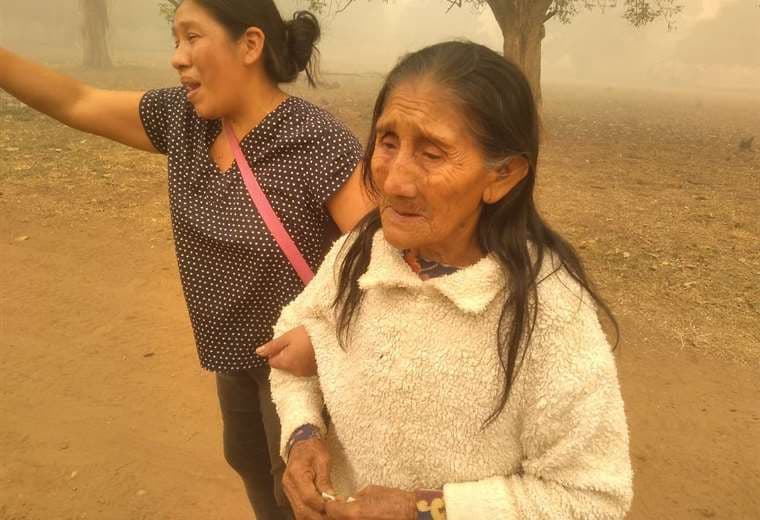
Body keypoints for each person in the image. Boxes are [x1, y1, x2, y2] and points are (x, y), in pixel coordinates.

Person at [0, 1, 373, 518]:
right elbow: (77, 99)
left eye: (192, 37)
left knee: (303, 495)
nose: (177, 58)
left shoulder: (315, 142)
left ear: (249, 45)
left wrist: (323, 336)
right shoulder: (184, 122)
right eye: (175, 40)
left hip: (303, 369)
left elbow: (384, 261)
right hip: (234, 359)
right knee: (248, 464)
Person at [265, 41, 633, 519]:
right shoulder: (364, 250)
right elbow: (293, 336)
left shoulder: (550, 312)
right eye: (388, 141)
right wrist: (303, 433)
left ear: (501, 176)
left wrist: (424, 510)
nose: (394, 180)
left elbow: (593, 498)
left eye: (432, 152)